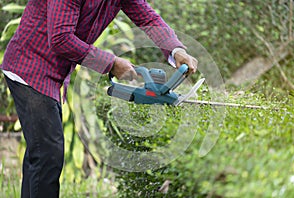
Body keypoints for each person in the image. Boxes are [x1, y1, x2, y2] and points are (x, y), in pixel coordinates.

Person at [0, 0, 198, 197]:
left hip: (50, 74)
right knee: (47, 155)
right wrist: (111, 63)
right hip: (29, 67)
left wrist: (176, 50)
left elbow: (148, 17)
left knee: (41, 154)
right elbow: (61, 38)